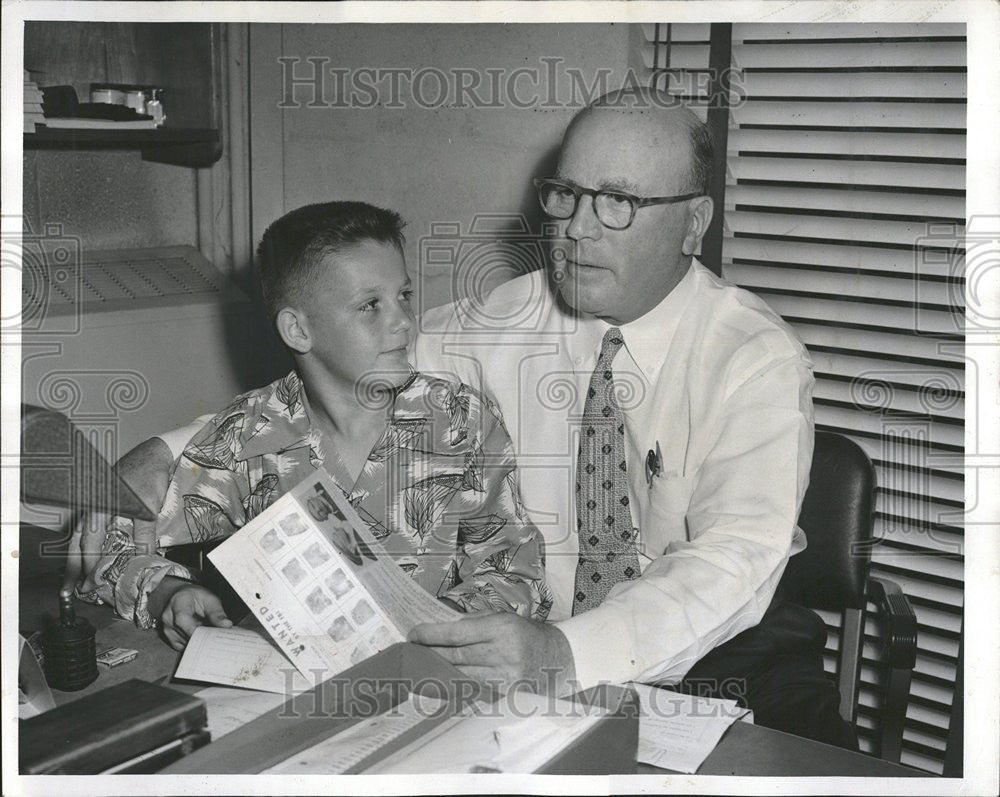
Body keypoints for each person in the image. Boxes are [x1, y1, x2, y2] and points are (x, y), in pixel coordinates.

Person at [94, 91, 855, 748]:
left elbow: (732, 563)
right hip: (516, 649)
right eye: (567, 194)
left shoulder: (753, 357)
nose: (578, 229)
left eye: (618, 202)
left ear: (694, 223)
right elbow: (355, 363)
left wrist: (566, 652)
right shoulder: (515, 312)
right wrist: (172, 449)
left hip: (718, 651)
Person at [79, 201, 550, 650]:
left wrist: (433, 628)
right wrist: (169, 595)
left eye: (403, 295)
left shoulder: (462, 423)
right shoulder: (246, 436)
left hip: (434, 673)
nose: (404, 321)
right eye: (371, 305)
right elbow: (114, 547)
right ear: (299, 331)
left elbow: (514, 571)